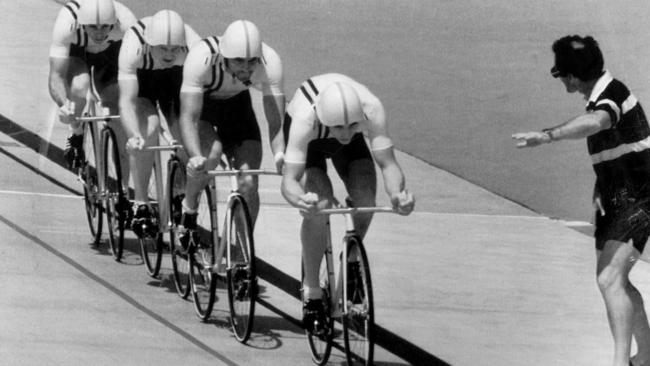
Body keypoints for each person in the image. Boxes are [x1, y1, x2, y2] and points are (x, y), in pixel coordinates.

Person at [512, 35, 650, 366]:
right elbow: (621, 146)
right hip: (617, 196)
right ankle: (645, 357)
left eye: (560, 74)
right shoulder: (601, 93)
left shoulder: (611, 95)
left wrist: (547, 135)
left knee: (609, 280)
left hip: (640, 196)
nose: (561, 79)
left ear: (572, 77)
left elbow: (598, 122)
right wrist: (602, 184)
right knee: (617, 281)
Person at [280, 73, 415, 332]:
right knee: (319, 205)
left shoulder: (371, 109)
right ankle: (312, 293)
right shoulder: (304, 119)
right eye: (339, 128)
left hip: (349, 143)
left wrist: (398, 194)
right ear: (325, 119)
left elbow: (388, 164)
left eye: (352, 126)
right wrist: (302, 200)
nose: (344, 133)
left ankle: (351, 260)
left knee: (365, 199)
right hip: (313, 144)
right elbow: (288, 182)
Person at [178, 19, 285, 239]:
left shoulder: (270, 62)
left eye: (251, 61)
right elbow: (189, 117)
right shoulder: (202, 58)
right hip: (203, 108)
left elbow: (276, 122)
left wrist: (281, 155)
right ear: (224, 56)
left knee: (248, 182)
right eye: (238, 61)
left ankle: (242, 255)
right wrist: (196, 156)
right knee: (211, 155)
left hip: (237, 109)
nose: (246, 68)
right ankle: (188, 209)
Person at [118, 9, 200, 237]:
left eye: (175, 49)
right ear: (149, 43)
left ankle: (179, 192)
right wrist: (134, 134)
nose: (169, 54)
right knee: (149, 128)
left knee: (187, 139)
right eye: (163, 48)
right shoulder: (133, 46)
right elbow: (126, 102)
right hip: (143, 82)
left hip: (176, 81)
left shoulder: (194, 47)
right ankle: (141, 203)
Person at [48, 0, 137, 170]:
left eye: (104, 26)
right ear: (82, 23)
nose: (99, 33)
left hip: (111, 52)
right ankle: (76, 132)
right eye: (93, 27)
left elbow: (137, 71)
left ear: (113, 22)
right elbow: (56, 76)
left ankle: (122, 188)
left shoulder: (127, 23)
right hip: (77, 52)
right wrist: (64, 105)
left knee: (117, 108)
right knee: (80, 87)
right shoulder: (67, 22)